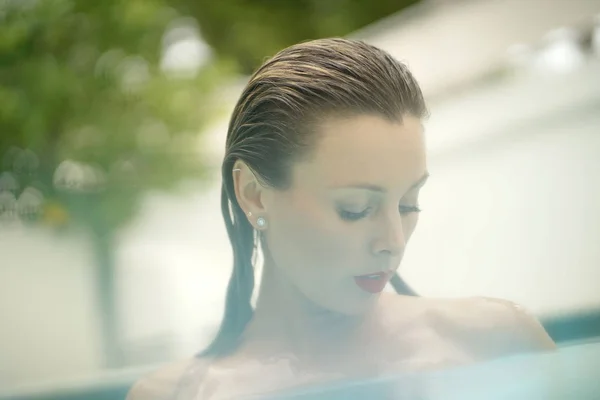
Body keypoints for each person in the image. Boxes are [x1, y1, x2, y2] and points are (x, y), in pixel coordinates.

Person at [127, 38, 556, 400]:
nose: (393, 241)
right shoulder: (181, 395)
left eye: (408, 204)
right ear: (254, 195)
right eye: (356, 209)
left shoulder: (497, 341)